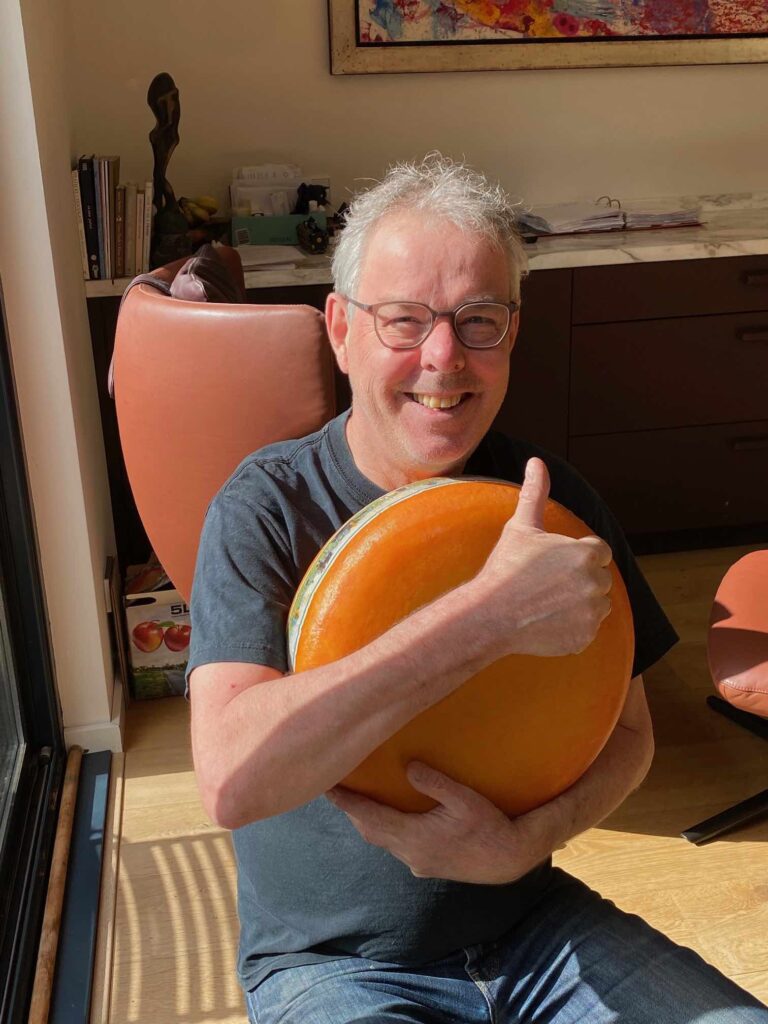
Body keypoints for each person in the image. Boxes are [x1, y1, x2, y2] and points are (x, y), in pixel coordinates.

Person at [186, 154, 768, 1023]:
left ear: (513, 333)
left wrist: (526, 844)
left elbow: (632, 736)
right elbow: (234, 780)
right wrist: (485, 619)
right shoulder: (265, 508)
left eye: (479, 321)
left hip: (537, 931)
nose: (444, 357)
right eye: (403, 321)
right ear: (341, 329)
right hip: (335, 968)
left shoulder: (555, 500)